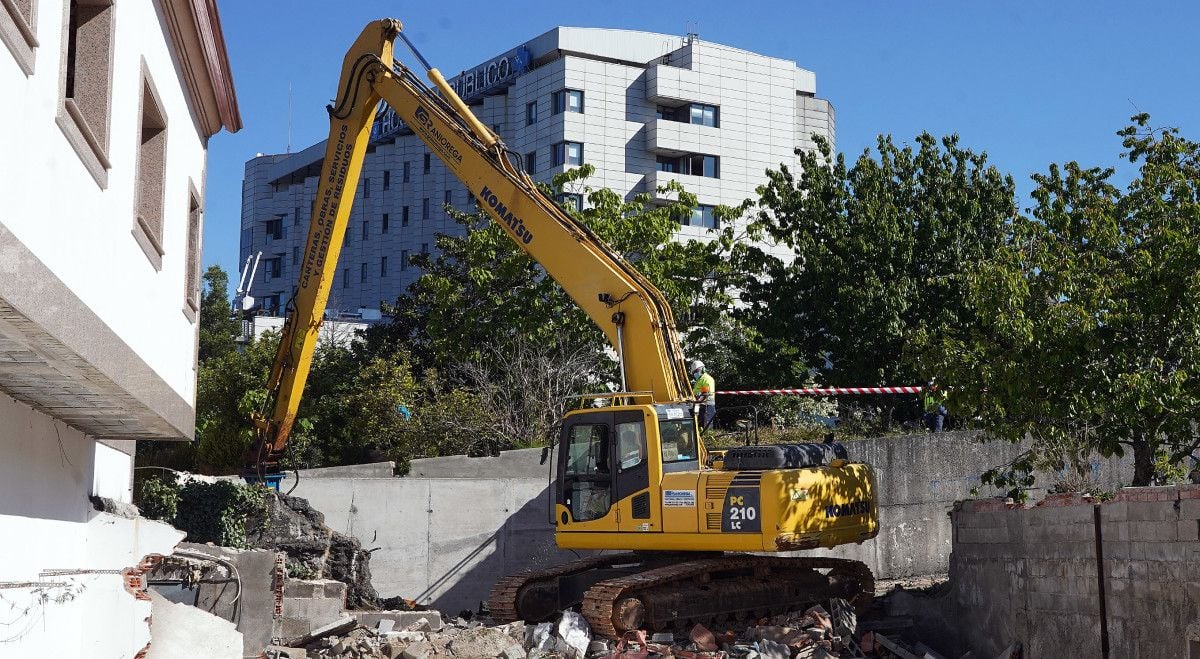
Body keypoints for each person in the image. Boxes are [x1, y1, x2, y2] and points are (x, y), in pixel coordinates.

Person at [690, 360, 716, 431]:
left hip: (707, 407)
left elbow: (705, 394)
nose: (695, 373)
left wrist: (696, 402)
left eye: (696, 371)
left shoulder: (706, 379)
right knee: (699, 427)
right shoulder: (699, 380)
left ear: (703, 369)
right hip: (701, 406)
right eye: (694, 372)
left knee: (706, 428)